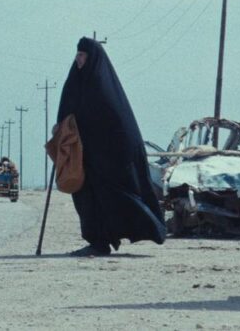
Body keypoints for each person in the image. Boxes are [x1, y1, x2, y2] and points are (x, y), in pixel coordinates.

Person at [56, 36, 166, 256]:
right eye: (77, 54)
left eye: (82, 55)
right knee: (86, 198)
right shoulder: (76, 81)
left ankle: (128, 233)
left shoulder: (103, 87)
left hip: (107, 157)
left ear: (92, 58)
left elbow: (113, 124)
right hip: (83, 156)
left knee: (114, 197)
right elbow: (67, 110)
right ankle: (97, 241)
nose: (78, 59)